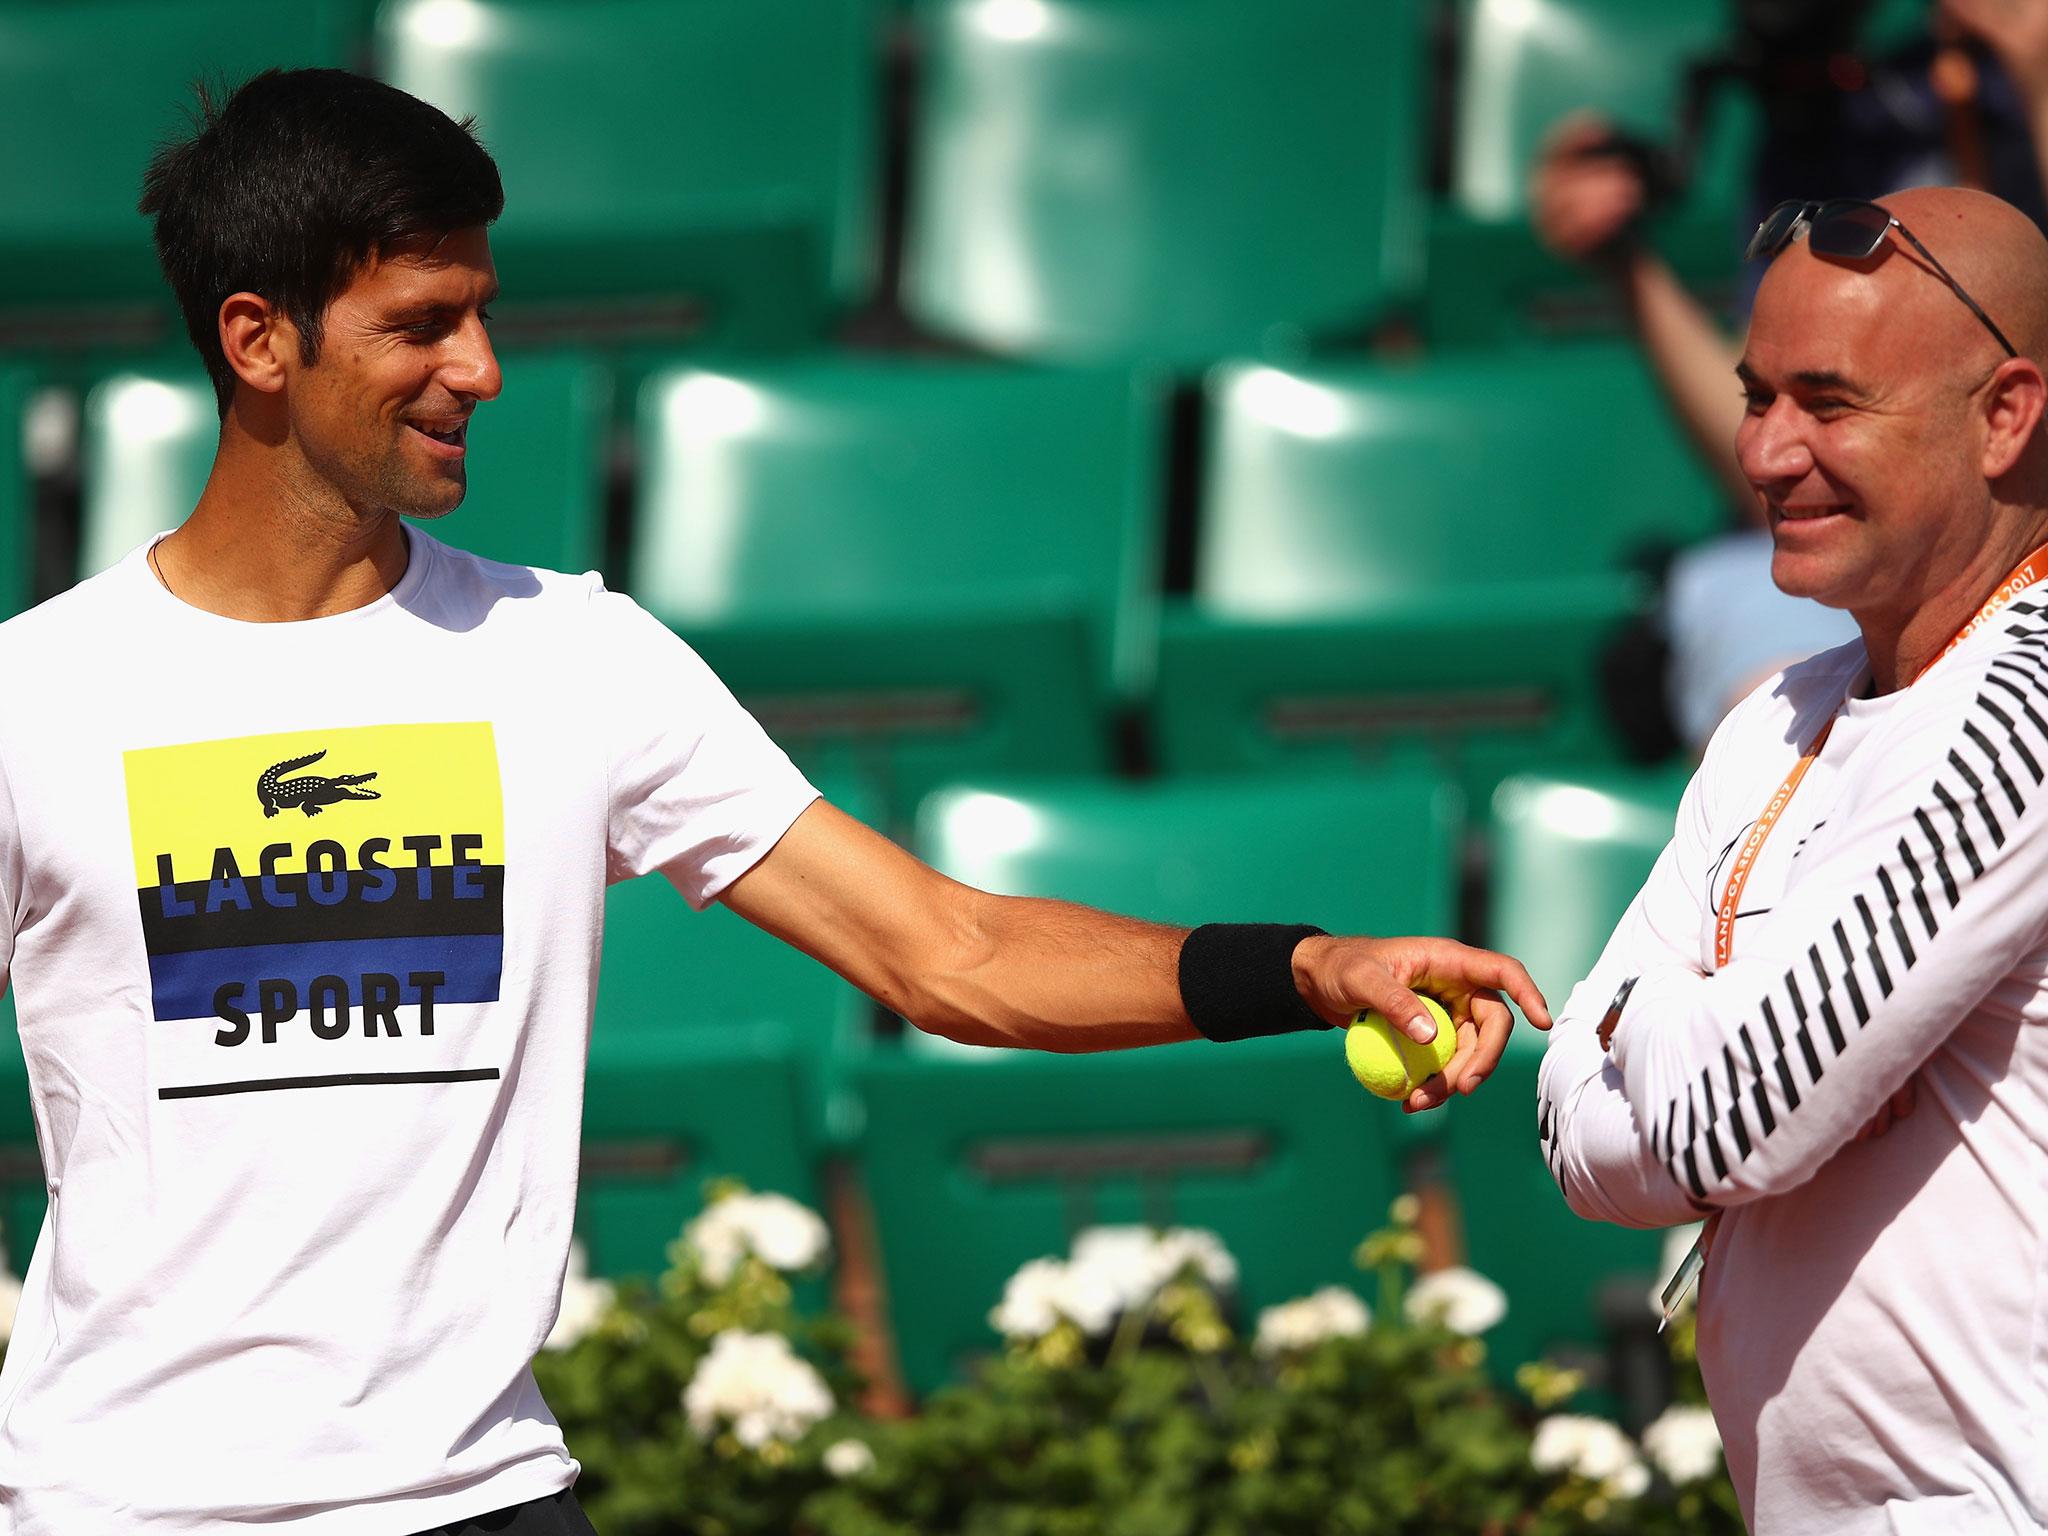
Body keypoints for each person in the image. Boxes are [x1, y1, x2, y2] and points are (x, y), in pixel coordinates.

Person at [0, 69, 1549, 1534]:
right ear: (260, 341)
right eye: (422, 324)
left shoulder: (575, 654)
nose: (480, 368)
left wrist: (1302, 967)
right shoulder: (34, 698)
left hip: (478, 1501)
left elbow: (951, 954)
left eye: (482, 314)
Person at [1539, 184, 2048, 1531]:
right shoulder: (1777, 713)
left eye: (1828, 403)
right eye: (1758, 396)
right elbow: (1568, 1132)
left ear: (2007, 413)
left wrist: (1651, 1016)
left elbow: (1721, 1117)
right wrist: (1733, 1054)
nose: (1766, 453)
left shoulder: (2037, 704)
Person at [1531, 0, 2048, 750]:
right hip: (1866, 572)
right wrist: (1627, 264)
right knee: (1776, 696)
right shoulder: (1817, 105)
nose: (1767, 446)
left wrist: (2034, 63)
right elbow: (1783, 457)